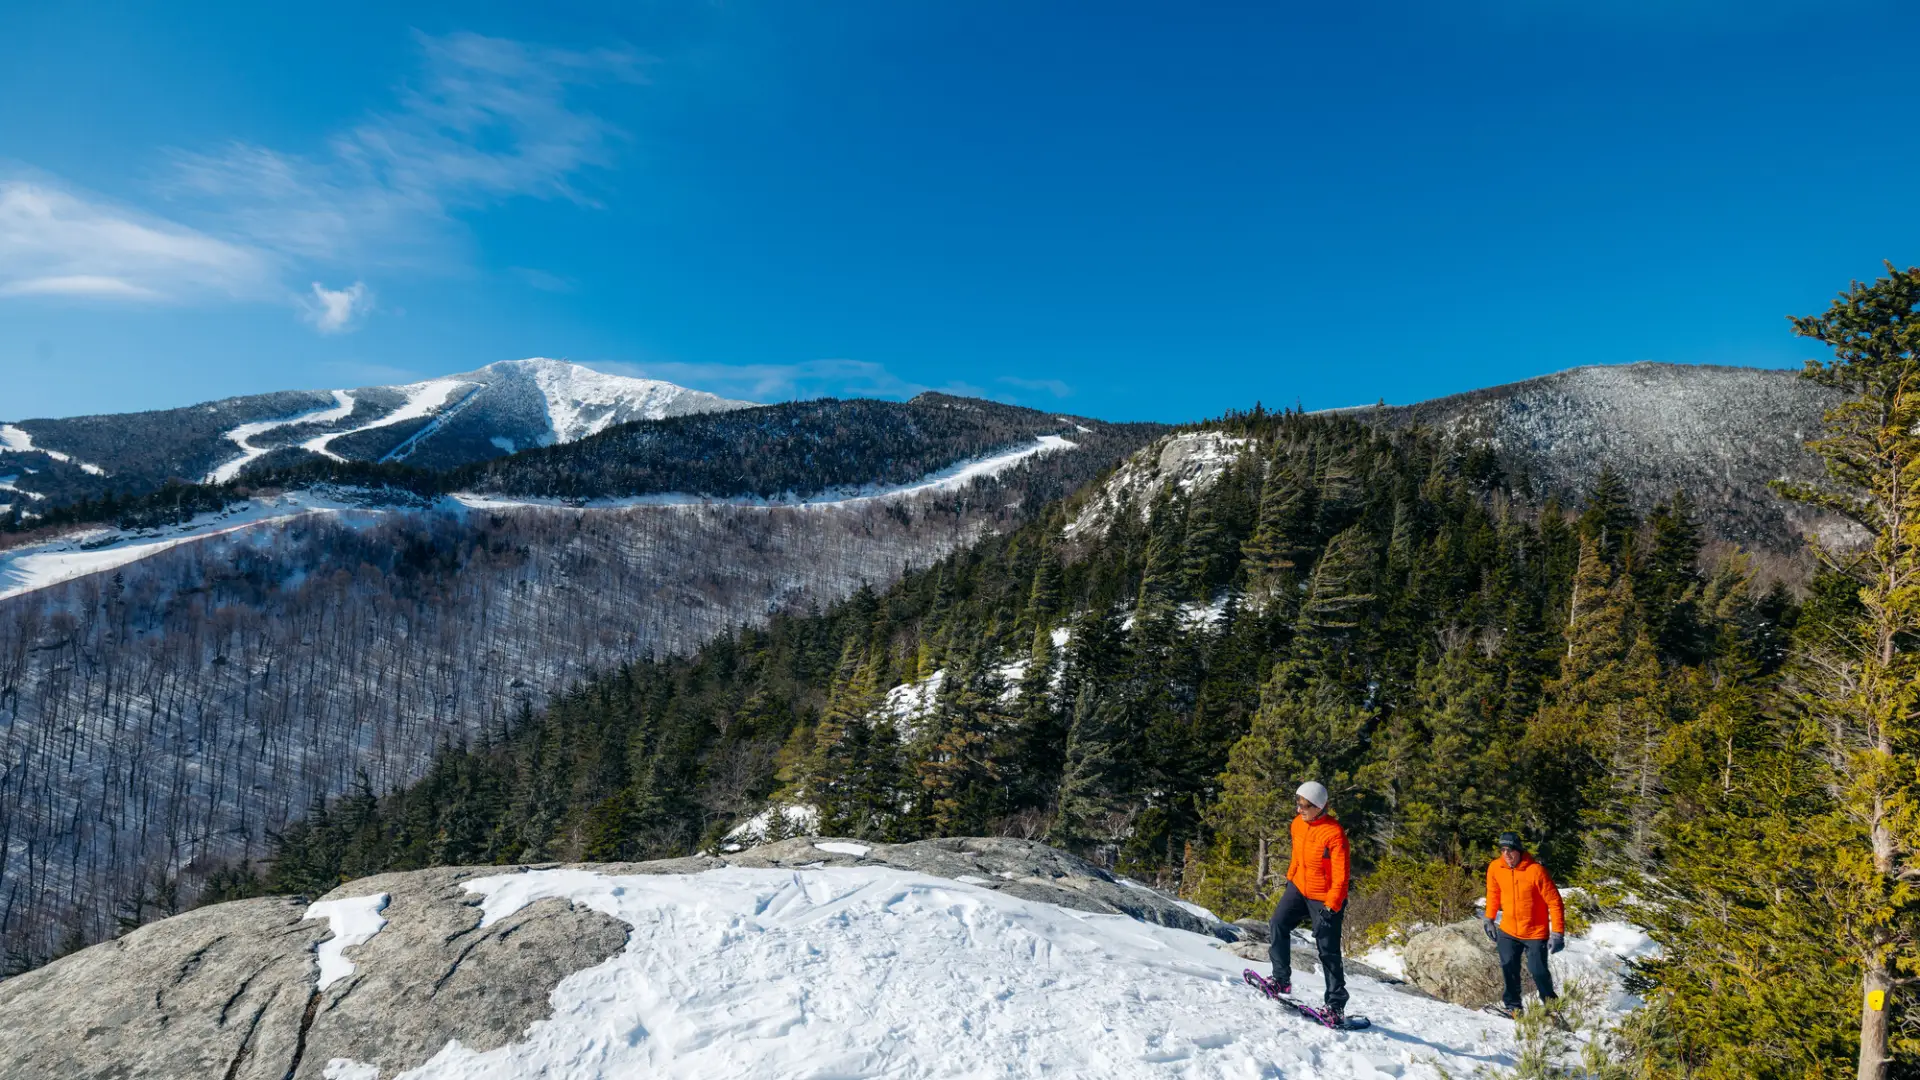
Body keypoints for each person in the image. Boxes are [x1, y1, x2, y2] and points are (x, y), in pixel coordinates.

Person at [1268, 780, 1351, 1022]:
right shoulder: (1297, 824)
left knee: (1328, 951)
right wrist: (1291, 877)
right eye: (1297, 803)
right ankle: (1281, 981)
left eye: (1304, 805)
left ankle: (1335, 1006)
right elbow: (1297, 855)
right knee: (1277, 924)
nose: (1298, 809)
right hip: (1299, 888)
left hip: (1324, 899)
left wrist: (1332, 906)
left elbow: (1342, 876)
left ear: (1319, 806)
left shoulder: (1334, 834)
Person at [1482, 831, 1565, 1017]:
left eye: (1510, 850)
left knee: (1538, 971)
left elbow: (1555, 902)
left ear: (1519, 850)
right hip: (1508, 930)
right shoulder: (1495, 868)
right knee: (1508, 967)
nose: (1507, 854)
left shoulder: (1536, 871)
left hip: (1535, 932)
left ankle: (1552, 1010)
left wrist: (1557, 932)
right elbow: (1493, 894)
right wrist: (1489, 918)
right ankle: (1513, 1007)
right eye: (1503, 850)